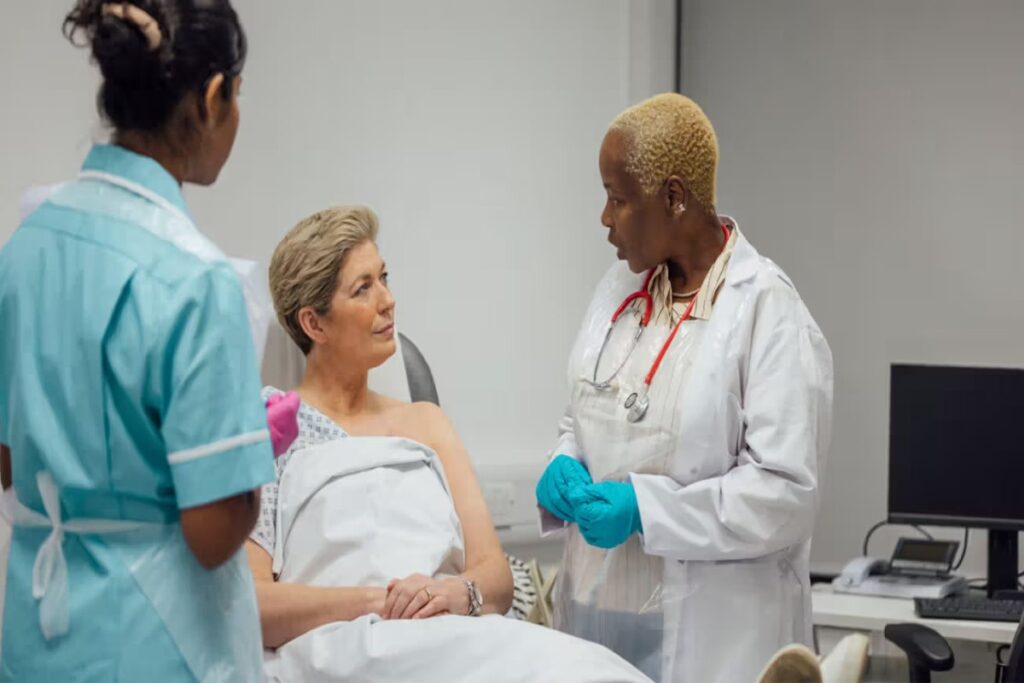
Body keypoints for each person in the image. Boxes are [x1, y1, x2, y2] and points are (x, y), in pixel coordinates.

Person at [0, 1, 294, 679]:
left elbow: (13, 469)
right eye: (238, 96)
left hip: (35, 638)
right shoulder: (196, 279)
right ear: (214, 98)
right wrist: (250, 451)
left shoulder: (24, 249)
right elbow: (214, 533)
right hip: (152, 645)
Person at [249, 205, 652, 683]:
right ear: (314, 324)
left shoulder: (426, 423)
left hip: (451, 639)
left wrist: (457, 594)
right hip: (340, 648)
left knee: (597, 673)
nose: (388, 300)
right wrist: (382, 601)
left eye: (384, 277)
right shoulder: (270, 428)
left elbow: (495, 577)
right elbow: (252, 605)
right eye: (363, 288)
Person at [536, 93, 834, 682]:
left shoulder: (767, 311)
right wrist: (564, 460)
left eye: (618, 199)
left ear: (674, 197)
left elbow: (785, 494)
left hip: (714, 636)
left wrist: (645, 509)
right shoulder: (617, 293)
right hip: (600, 617)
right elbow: (588, 415)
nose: (604, 218)